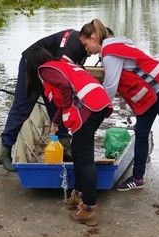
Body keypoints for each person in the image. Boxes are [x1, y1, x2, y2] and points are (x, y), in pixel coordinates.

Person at [79, 19, 159, 204]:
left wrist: (91, 107)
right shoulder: (116, 45)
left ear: (94, 37)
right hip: (151, 92)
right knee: (141, 132)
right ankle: (137, 178)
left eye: (86, 43)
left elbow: (110, 88)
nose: (85, 48)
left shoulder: (109, 52)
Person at [24, 45, 112, 226]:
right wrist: (56, 122)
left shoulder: (45, 70)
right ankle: (78, 194)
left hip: (89, 107)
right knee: (79, 154)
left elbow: (65, 88)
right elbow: (63, 96)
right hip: (98, 103)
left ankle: (89, 208)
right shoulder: (58, 65)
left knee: (84, 157)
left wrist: (67, 112)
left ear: (33, 63)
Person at [0, 29, 88, 172]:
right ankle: (5, 151)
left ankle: (64, 145)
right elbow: (65, 79)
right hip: (32, 65)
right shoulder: (73, 47)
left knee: (57, 104)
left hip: (50, 68)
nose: (98, 53)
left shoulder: (83, 46)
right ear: (91, 38)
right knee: (22, 108)